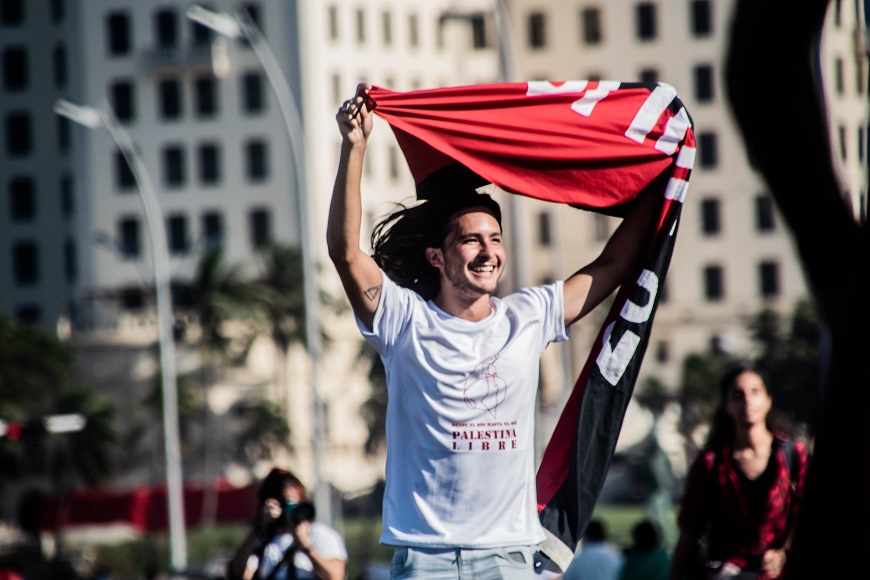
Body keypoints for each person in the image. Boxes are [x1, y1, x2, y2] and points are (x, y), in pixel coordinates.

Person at [327, 84, 662, 578]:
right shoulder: (404, 320)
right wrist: (354, 146)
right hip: (425, 560)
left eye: (496, 239)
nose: (488, 252)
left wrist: (663, 184)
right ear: (437, 257)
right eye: (471, 240)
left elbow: (613, 264)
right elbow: (345, 253)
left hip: (509, 559)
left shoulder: (527, 316)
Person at [668, 366, 808, 580]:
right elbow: (690, 529)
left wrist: (784, 553)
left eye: (755, 392)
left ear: (768, 400)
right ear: (727, 405)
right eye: (738, 395)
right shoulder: (711, 463)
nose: (747, 401)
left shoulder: (793, 455)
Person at [227, 468, 347, 580]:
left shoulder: (318, 534)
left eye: (294, 502)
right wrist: (259, 529)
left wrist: (306, 546)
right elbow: (239, 573)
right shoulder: (264, 539)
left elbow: (335, 576)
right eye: (284, 503)